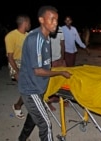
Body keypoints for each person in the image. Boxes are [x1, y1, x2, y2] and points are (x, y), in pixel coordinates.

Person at [18, 6, 72, 141]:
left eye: (57, 20)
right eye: (52, 19)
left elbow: (45, 63)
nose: (55, 22)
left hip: (38, 87)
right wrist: (60, 73)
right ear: (41, 20)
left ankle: (21, 139)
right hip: (31, 90)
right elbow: (38, 71)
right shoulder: (36, 39)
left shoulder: (47, 38)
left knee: (33, 117)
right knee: (45, 124)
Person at [4, 14, 31, 120]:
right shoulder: (10, 36)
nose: (30, 25)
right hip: (14, 62)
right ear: (25, 23)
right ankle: (17, 106)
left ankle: (19, 104)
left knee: (30, 87)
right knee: (26, 88)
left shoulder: (28, 35)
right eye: (29, 23)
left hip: (26, 62)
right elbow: (10, 57)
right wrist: (17, 71)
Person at [47, 26, 66, 111]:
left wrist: (62, 58)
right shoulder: (45, 29)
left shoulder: (60, 29)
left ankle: (61, 98)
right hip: (49, 60)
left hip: (59, 58)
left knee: (62, 80)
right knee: (50, 82)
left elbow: (62, 44)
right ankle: (48, 102)